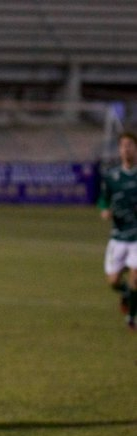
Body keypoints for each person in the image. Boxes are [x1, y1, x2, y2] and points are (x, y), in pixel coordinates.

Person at [98, 131, 137, 330]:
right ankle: (126, 295)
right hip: (118, 237)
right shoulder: (112, 176)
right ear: (119, 149)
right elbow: (103, 198)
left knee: (135, 278)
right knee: (113, 281)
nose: (126, 148)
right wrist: (105, 210)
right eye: (123, 145)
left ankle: (132, 317)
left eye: (130, 144)